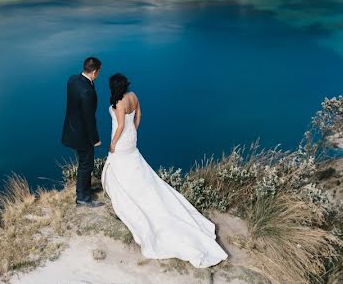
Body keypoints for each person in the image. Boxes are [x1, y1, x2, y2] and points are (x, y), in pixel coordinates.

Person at [101, 73, 228, 268]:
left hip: (121, 142)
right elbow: (139, 116)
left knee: (118, 166)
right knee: (137, 170)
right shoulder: (133, 96)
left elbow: (118, 127)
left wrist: (112, 144)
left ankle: (130, 195)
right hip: (131, 142)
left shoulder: (118, 104)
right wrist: (133, 131)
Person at [61, 56, 102, 207]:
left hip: (71, 129)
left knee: (83, 163)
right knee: (87, 164)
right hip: (82, 135)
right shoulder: (87, 91)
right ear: (95, 72)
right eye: (98, 73)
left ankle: (84, 189)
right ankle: (83, 199)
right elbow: (89, 118)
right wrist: (95, 139)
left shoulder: (72, 80)